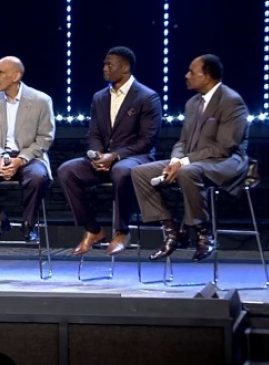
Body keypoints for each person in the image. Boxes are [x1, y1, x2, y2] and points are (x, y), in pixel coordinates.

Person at [131, 54, 250, 262]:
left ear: (207, 76)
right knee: (140, 172)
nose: (186, 76)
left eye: (192, 72)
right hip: (193, 161)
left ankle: (203, 233)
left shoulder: (231, 101)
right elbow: (183, 142)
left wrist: (183, 162)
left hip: (225, 162)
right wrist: (174, 160)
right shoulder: (192, 103)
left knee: (188, 172)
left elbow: (225, 147)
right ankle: (171, 231)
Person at [57, 46, 162, 256]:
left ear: (125, 68)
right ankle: (92, 229)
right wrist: (97, 155)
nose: (104, 68)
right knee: (66, 171)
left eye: (109, 64)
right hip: (104, 158)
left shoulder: (147, 97)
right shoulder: (99, 97)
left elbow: (147, 140)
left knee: (121, 171)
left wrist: (114, 156)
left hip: (135, 157)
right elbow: (94, 133)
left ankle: (122, 232)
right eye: (104, 63)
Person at [0, 56, 55, 242]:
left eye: (0, 72)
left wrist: (20, 160)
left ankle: (29, 225)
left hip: (29, 157)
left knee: (38, 177)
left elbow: (44, 138)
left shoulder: (41, 101)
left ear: (16, 76)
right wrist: (0, 158)